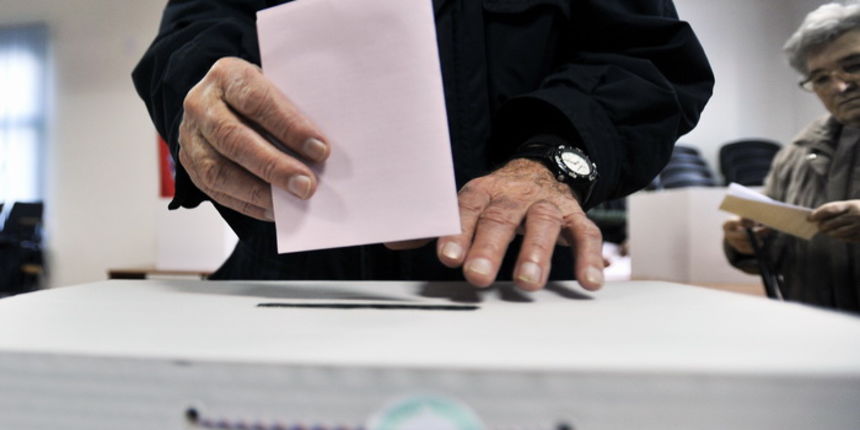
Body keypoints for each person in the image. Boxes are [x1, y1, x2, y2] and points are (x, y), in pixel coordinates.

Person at [133, 0, 713, 291]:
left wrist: (550, 164)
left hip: (517, 281)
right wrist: (202, 92)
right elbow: (192, 31)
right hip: (286, 283)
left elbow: (648, 56)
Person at [724, 2, 860, 312]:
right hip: (811, 337)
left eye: (853, 65)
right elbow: (776, 251)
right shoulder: (794, 156)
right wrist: (745, 242)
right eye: (821, 78)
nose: (838, 86)